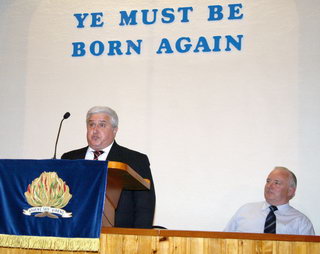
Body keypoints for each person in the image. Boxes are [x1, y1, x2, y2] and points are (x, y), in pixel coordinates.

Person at [61, 106, 156, 229]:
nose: (95, 130)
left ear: (115, 130)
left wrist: (137, 240)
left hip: (118, 237)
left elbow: (144, 207)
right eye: (91, 125)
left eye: (102, 125)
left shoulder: (134, 160)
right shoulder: (69, 158)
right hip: (74, 233)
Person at [224, 167, 315, 235]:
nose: (269, 186)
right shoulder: (245, 211)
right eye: (268, 181)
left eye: (276, 183)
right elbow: (224, 242)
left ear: (290, 191)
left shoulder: (301, 222)